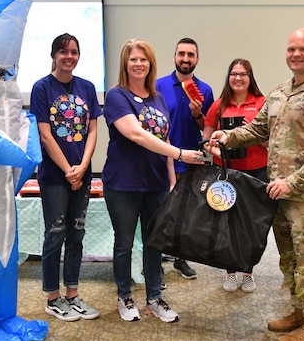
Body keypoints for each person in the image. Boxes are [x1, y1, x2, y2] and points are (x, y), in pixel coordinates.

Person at [208, 28, 304, 341]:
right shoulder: (279, 93)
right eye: (291, 49)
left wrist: (291, 182)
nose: (296, 54)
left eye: (303, 49)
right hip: (280, 196)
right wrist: (228, 137)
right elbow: (258, 128)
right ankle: (299, 313)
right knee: (289, 259)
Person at [102, 38, 205, 323]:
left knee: (154, 242)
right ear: (126, 63)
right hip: (123, 184)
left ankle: (154, 298)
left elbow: (165, 138)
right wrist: (181, 153)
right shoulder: (116, 96)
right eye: (133, 59)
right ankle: (125, 296)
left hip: (157, 183)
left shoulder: (158, 98)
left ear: (151, 63)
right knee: (124, 243)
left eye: (143, 59)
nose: (138, 64)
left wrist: (171, 180)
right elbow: (136, 134)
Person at [30, 33, 102, 322]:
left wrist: (82, 167)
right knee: (55, 234)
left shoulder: (87, 87)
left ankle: (72, 294)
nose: (69, 56)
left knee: (77, 235)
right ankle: (52, 297)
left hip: (81, 174)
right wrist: (68, 170)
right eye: (63, 52)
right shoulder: (41, 88)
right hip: (54, 176)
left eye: (73, 52)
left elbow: (94, 130)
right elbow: (45, 136)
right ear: (54, 55)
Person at [202, 58, 267, 293]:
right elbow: (206, 140)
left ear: (251, 78)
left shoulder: (262, 103)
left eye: (243, 74)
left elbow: (273, 141)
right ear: (228, 77)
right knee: (226, 223)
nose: (238, 78)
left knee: (252, 224)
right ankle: (230, 272)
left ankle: (247, 272)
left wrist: (252, 130)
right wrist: (215, 149)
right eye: (233, 73)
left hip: (258, 171)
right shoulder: (218, 105)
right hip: (227, 171)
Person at [156, 37, 215, 280]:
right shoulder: (158, 86)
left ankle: (181, 259)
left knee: (186, 213)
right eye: (181, 54)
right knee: (160, 212)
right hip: (162, 160)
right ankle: (155, 261)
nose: (185, 59)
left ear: (197, 59)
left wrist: (198, 114)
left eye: (191, 55)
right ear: (174, 57)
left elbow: (207, 129)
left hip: (191, 160)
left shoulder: (206, 90)